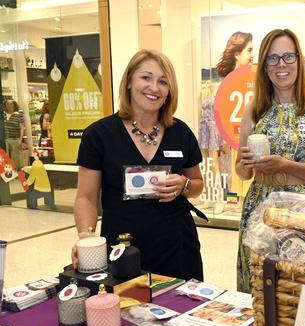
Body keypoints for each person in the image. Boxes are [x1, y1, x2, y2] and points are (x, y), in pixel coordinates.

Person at [71, 49, 206, 280]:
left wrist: (183, 185)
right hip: (122, 248)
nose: (154, 87)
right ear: (129, 83)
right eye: (146, 77)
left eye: (163, 81)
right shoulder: (99, 135)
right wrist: (86, 239)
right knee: (126, 310)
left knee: (180, 312)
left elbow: (197, 184)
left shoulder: (180, 133)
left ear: (169, 91)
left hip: (177, 247)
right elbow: (86, 197)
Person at [234, 29, 305, 292]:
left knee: (301, 290)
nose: (281, 65)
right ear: (263, 66)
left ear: (299, 60)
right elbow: (241, 172)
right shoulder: (255, 108)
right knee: (260, 288)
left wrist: (286, 165)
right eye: (272, 58)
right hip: (260, 210)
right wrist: (245, 164)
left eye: (287, 56)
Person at [3, 99, 28, 169]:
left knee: (15, 158)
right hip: (6, 139)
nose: (9, 105)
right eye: (7, 104)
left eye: (11, 104)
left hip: (15, 139)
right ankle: (7, 173)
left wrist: (20, 139)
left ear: (14, 105)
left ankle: (16, 171)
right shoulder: (3, 114)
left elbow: (22, 128)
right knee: (5, 157)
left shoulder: (18, 114)